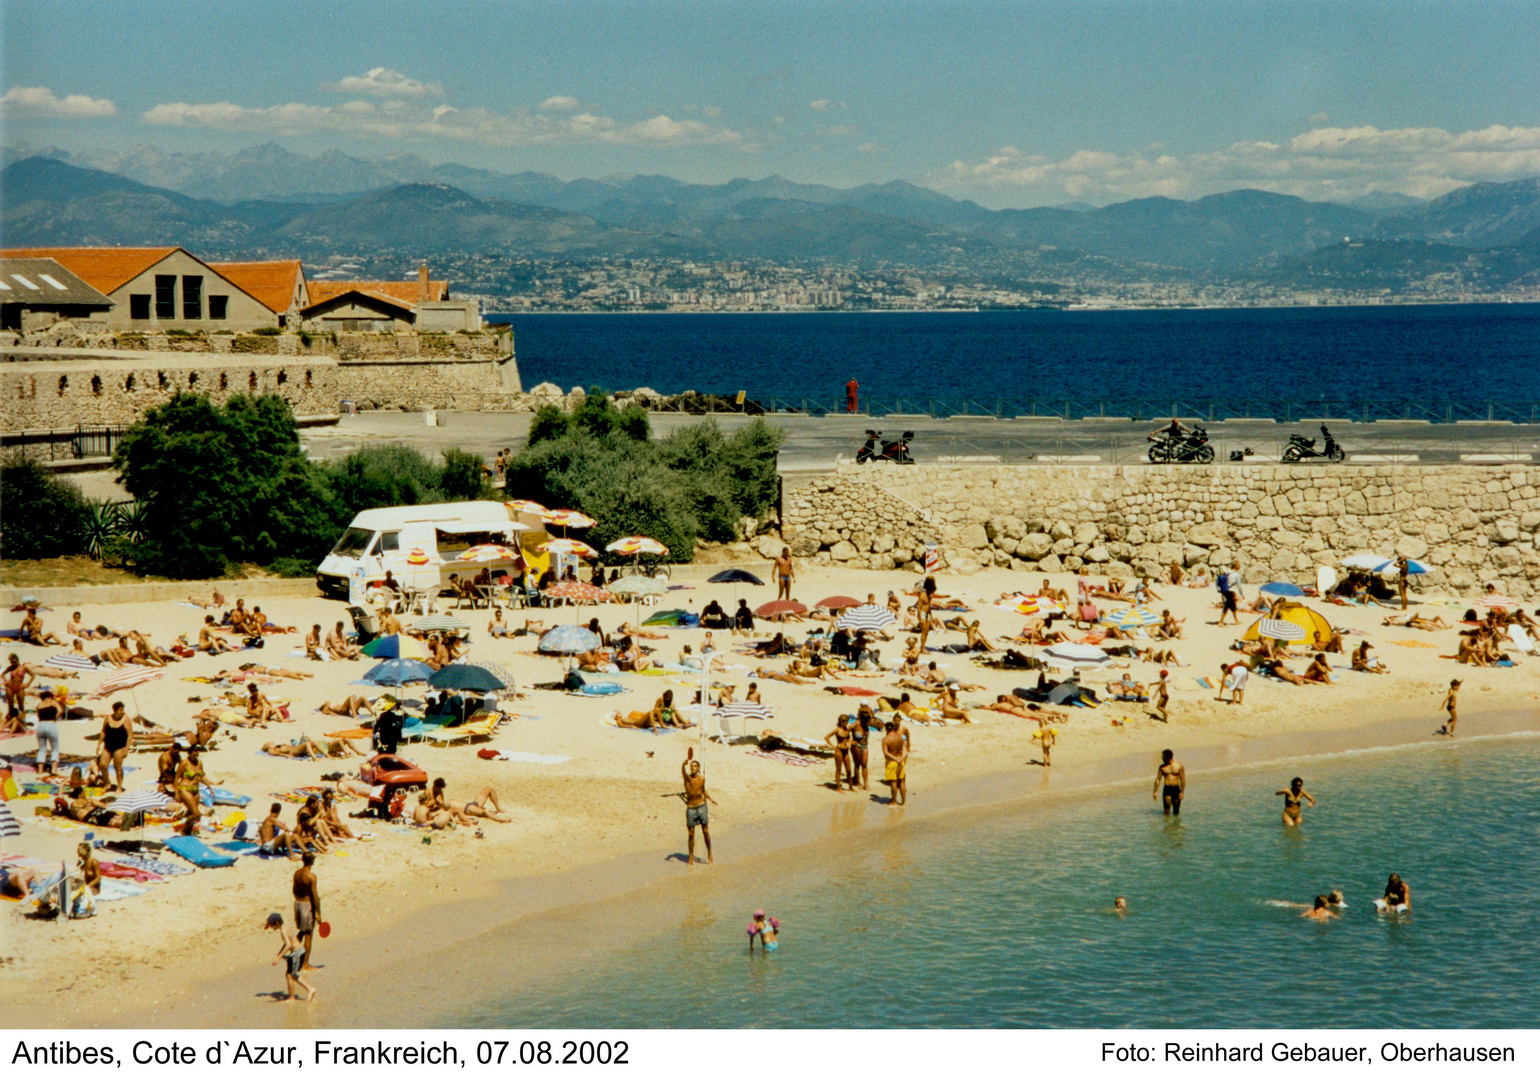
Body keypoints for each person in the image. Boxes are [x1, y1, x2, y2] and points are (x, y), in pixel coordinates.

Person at [265, 912, 317, 1002]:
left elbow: (288, 945)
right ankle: (292, 997)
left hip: (296, 953)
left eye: (271, 925)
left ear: (277, 923)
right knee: (289, 975)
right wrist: (279, 954)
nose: (271, 927)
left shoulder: (283, 931)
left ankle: (309, 989)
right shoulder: (286, 926)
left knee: (291, 975)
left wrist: (278, 957)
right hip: (299, 951)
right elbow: (288, 942)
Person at [682, 746, 715, 866]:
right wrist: (683, 764)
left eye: (694, 766)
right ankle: (690, 856)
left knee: (705, 831)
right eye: (691, 766)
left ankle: (710, 854)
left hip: (701, 806)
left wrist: (710, 799)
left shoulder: (702, 779)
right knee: (691, 834)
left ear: (698, 768)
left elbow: (703, 790)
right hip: (691, 807)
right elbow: (683, 772)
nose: (692, 768)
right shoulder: (687, 779)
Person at [93, 700, 134, 791]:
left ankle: (119, 787)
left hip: (119, 746)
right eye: (120, 710)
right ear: (114, 711)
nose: (122, 712)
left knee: (118, 768)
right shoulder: (108, 718)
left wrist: (126, 749)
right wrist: (99, 744)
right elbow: (103, 732)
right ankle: (107, 783)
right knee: (102, 765)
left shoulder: (125, 719)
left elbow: (130, 735)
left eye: (122, 710)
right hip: (108, 745)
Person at [293, 853, 322, 969]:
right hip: (307, 905)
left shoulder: (297, 873)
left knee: (301, 931)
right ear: (312, 861)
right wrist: (319, 913)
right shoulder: (311, 877)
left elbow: (294, 890)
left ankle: (292, 952)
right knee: (309, 934)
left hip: (297, 903)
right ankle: (305, 964)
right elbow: (315, 896)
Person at [33, 685, 61, 777]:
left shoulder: (39, 705)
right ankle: (54, 769)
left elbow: (38, 716)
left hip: (41, 725)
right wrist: (54, 718)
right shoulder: (53, 702)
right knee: (55, 748)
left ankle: (40, 770)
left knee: (42, 749)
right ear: (50, 696)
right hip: (51, 724)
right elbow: (60, 711)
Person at [881, 718, 909, 804]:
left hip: (892, 762)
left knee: (893, 783)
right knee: (901, 782)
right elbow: (905, 749)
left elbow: (886, 752)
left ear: (886, 729)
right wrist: (902, 757)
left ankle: (893, 801)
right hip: (901, 761)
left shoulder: (886, 739)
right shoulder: (900, 737)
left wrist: (894, 758)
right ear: (893, 728)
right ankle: (904, 801)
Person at [824, 714, 854, 792]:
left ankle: (851, 787)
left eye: (846, 721)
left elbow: (849, 737)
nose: (845, 722)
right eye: (843, 721)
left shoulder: (847, 730)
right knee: (839, 769)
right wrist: (833, 747)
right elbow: (826, 737)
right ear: (840, 721)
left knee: (849, 770)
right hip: (839, 750)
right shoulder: (837, 730)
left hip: (846, 750)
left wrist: (850, 744)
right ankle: (838, 787)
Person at [1154, 749, 1185, 816]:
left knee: (1176, 811)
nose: (1162, 758)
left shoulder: (1179, 766)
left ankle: (1176, 826)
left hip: (1176, 789)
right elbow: (1158, 779)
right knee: (1166, 810)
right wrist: (1155, 792)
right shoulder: (1162, 767)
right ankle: (1167, 826)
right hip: (1167, 789)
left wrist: (1182, 792)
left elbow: (1182, 779)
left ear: (1167, 757)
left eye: (1163, 757)